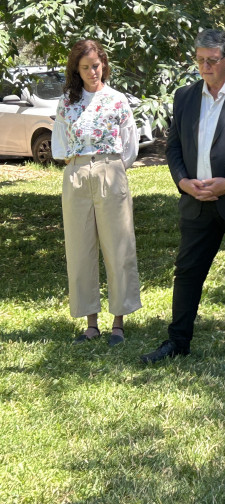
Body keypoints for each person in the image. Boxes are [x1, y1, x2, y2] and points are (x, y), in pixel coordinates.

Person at [141, 29, 225, 365]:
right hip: (196, 202)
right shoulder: (185, 96)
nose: (204, 67)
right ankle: (178, 341)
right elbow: (173, 147)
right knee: (187, 272)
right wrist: (183, 181)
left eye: (212, 61)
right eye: (199, 60)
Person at [52, 39, 141, 346]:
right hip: (76, 172)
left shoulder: (117, 100)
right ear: (77, 70)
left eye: (96, 66)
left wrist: (112, 168)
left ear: (104, 64)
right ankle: (91, 323)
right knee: (80, 249)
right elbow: (59, 143)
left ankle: (118, 322)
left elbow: (130, 145)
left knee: (118, 247)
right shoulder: (67, 102)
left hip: (110, 170)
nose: (93, 72)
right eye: (85, 67)